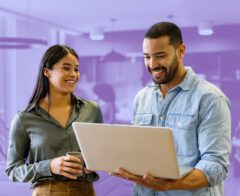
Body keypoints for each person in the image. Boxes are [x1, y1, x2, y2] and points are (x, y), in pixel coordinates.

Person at [113, 22, 231, 196]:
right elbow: (138, 151)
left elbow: (216, 166)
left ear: (181, 51)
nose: (152, 64)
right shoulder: (141, 98)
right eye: (147, 56)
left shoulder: (210, 99)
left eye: (160, 56)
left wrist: (170, 185)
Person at [6, 45, 103, 196]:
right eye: (66, 68)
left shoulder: (92, 110)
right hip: (47, 192)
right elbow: (13, 170)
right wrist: (49, 166)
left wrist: (93, 163)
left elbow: (100, 152)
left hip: (86, 191)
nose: (73, 74)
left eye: (76, 69)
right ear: (47, 72)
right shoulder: (24, 118)